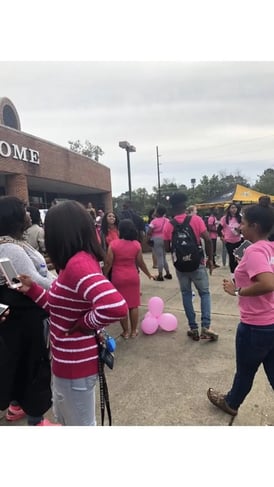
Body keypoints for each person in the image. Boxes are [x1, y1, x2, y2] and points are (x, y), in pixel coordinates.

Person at [18, 200, 128, 426]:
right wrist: (33, 290)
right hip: (67, 362)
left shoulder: (78, 265)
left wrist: (84, 324)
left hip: (75, 363)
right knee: (69, 420)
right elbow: (59, 309)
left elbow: (116, 306)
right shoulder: (74, 262)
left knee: (79, 425)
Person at [207, 198, 274, 417]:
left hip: (255, 325)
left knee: (245, 372)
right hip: (271, 322)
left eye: (243, 223)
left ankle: (231, 403)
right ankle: (232, 400)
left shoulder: (255, 252)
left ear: (255, 227)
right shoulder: (270, 248)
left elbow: (267, 283)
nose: (239, 226)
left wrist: (237, 291)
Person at [0, 196, 56, 426]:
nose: (29, 214)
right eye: (24, 211)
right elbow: (35, 282)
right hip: (27, 318)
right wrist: (58, 283)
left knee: (18, 363)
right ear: (13, 217)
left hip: (17, 318)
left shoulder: (12, 243)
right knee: (34, 367)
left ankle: (16, 406)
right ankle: (36, 419)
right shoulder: (10, 249)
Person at [163, 192, 218, 341]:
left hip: (180, 266)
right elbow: (207, 239)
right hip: (197, 263)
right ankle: (206, 326)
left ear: (172, 208)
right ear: (185, 205)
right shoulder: (196, 219)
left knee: (186, 294)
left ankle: (193, 328)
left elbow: (167, 248)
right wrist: (210, 259)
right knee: (204, 293)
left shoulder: (169, 224)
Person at [103, 219, 155, 339]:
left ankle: (125, 332)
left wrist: (104, 275)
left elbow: (108, 263)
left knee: (121, 305)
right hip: (132, 277)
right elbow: (141, 263)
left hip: (118, 277)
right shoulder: (136, 244)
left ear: (120, 230)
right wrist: (148, 274)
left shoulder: (114, 244)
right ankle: (133, 331)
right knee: (134, 305)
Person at [146, 204, 172, 281]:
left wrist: (148, 239)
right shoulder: (167, 220)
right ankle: (168, 273)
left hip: (156, 239)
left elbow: (149, 232)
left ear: (157, 212)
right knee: (164, 257)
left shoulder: (154, 221)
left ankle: (160, 275)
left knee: (159, 257)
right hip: (165, 239)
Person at [217, 203, 242, 279]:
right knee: (232, 257)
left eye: (235, 208)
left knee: (239, 258)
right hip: (229, 241)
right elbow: (219, 229)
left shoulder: (240, 218)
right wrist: (221, 237)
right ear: (229, 209)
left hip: (238, 240)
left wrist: (239, 231)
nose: (233, 209)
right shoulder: (225, 218)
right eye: (232, 208)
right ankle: (233, 275)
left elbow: (244, 228)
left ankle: (239, 273)